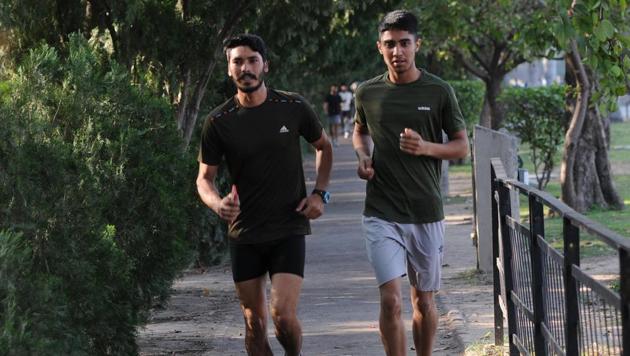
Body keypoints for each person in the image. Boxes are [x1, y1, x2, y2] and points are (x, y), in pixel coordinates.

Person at [196, 33, 333, 356]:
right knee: (254, 325)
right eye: (237, 62)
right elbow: (204, 179)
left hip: (288, 226)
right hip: (245, 233)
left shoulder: (292, 106)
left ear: (265, 65)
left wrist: (319, 194)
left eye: (252, 60)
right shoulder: (218, 121)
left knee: (282, 316)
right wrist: (218, 205)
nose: (245, 68)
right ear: (229, 70)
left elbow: (323, 147)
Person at [352, 10, 469, 356]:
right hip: (381, 210)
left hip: (425, 210)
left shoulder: (439, 91)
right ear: (379, 47)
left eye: (405, 43)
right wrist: (362, 156)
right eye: (390, 44)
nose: (397, 51)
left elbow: (462, 145)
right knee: (390, 300)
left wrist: (426, 147)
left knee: (424, 301)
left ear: (418, 45)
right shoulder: (367, 93)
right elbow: (359, 131)